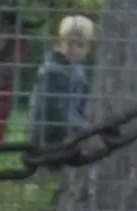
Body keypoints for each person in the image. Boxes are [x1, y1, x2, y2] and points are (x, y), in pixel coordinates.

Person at [28, 14, 94, 150]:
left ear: (88, 48)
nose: (73, 48)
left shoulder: (77, 69)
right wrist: (80, 127)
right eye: (69, 43)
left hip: (68, 130)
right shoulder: (53, 71)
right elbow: (56, 111)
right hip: (51, 135)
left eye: (80, 45)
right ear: (60, 43)